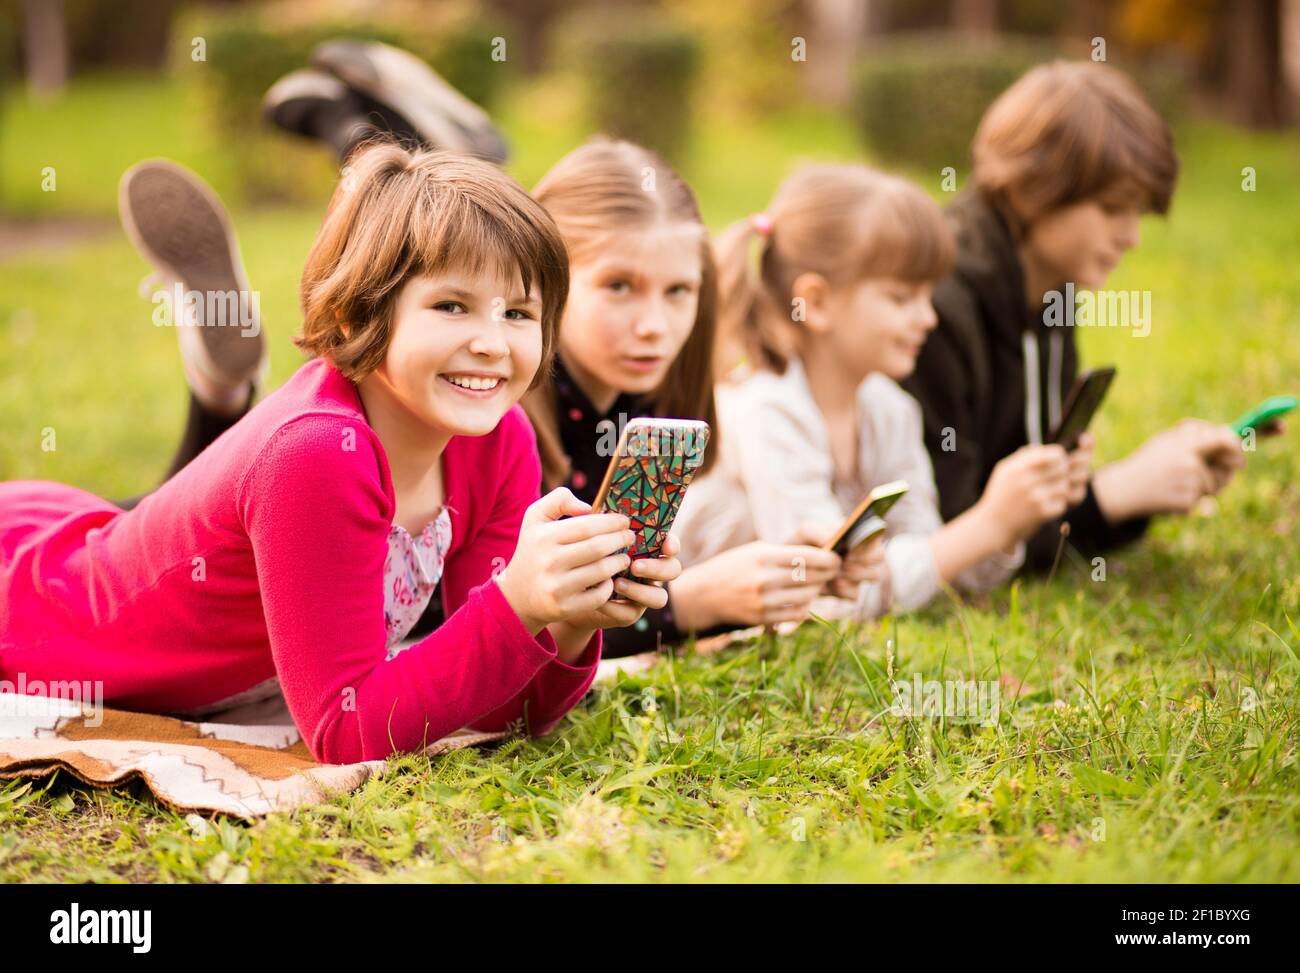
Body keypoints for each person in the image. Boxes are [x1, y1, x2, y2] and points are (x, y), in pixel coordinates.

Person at [0, 144, 682, 764]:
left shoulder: (501, 441)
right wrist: (513, 603)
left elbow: (494, 709)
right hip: (33, 618)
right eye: (452, 305)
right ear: (360, 315)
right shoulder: (317, 454)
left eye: (518, 313)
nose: (491, 342)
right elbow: (345, 731)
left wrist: (564, 618)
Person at [674, 163, 1085, 619]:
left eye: (928, 296)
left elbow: (937, 561)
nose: (928, 318)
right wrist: (984, 526)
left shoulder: (890, 408)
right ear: (817, 303)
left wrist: (1008, 524)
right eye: (901, 298)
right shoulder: (767, 410)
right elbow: (823, 599)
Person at [902, 60, 1249, 572]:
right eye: (1112, 209)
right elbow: (958, 538)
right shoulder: (935, 307)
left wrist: (1142, 485)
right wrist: (1114, 493)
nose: (1131, 237)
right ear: (1031, 188)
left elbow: (1031, 512)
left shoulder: (1049, 284)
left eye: (1138, 213)